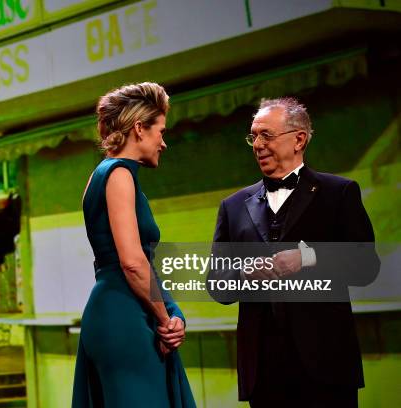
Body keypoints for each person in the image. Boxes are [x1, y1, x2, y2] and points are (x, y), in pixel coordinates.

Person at [210, 97, 380, 407]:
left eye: (267, 135)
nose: (257, 144)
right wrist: (245, 272)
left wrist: (307, 257)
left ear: (299, 138)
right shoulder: (233, 206)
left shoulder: (338, 193)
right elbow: (216, 283)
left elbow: (365, 265)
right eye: (253, 136)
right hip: (262, 370)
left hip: (326, 364)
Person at [72, 83, 196, 407]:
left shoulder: (105, 175)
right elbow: (133, 262)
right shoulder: (119, 175)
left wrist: (172, 312)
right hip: (124, 316)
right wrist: (165, 321)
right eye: (160, 131)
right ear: (139, 128)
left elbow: (142, 264)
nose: (164, 143)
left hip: (119, 310)